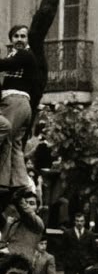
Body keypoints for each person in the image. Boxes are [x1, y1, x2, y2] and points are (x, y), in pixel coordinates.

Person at [0, 24, 42, 194]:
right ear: (11, 39)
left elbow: (5, 64)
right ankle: (21, 183)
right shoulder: (18, 55)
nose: (19, 39)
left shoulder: (24, 54)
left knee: (6, 140)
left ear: (27, 40)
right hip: (24, 104)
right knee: (16, 145)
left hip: (15, 101)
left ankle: (2, 182)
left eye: (23, 36)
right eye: (16, 36)